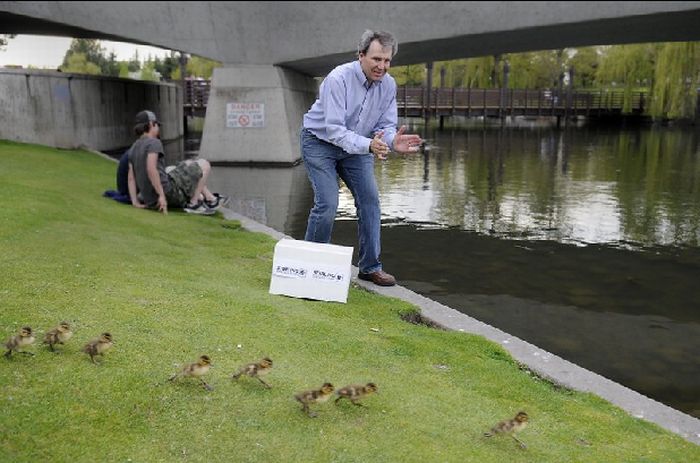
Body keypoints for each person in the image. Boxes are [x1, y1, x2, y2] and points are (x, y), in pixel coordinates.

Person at [300, 30, 423, 287]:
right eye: (376, 59)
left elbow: (385, 125)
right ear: (361, 56)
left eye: (387, 61)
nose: (382, 66)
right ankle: (309, 267)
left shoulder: (388, 85)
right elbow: (334, 130)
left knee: (370, 202)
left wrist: (391, 141)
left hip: (358, 146)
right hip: (320, 142)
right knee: (328, 204)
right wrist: (369, 144)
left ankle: (370, 268)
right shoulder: (338, 79)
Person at [127, 110, 227, 215]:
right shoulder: (154, 143)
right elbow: (151, 169)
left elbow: (131, 178)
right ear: (152, 124)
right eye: (157, 125)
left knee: (186, 164)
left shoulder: (134, 147)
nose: (158, 128)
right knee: (204, 164)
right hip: (168, 193)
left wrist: (135, 201)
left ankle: (210, 198)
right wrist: (161, 196)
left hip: (149, 198)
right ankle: (194, 204)